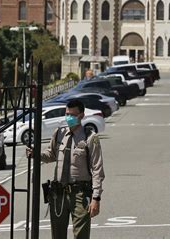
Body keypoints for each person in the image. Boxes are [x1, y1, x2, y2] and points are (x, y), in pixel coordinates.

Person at [26, 99, 105, 239]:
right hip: (58, 194)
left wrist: (96, 198)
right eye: (67, 114)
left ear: (81, 115)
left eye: (73, 115)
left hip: (80, 194)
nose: (69, 118)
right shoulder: (59, 133)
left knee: (81, 235)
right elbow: (51, 155)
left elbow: (97, 170)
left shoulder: (90, 138)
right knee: (57, 235)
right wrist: (36, 154)